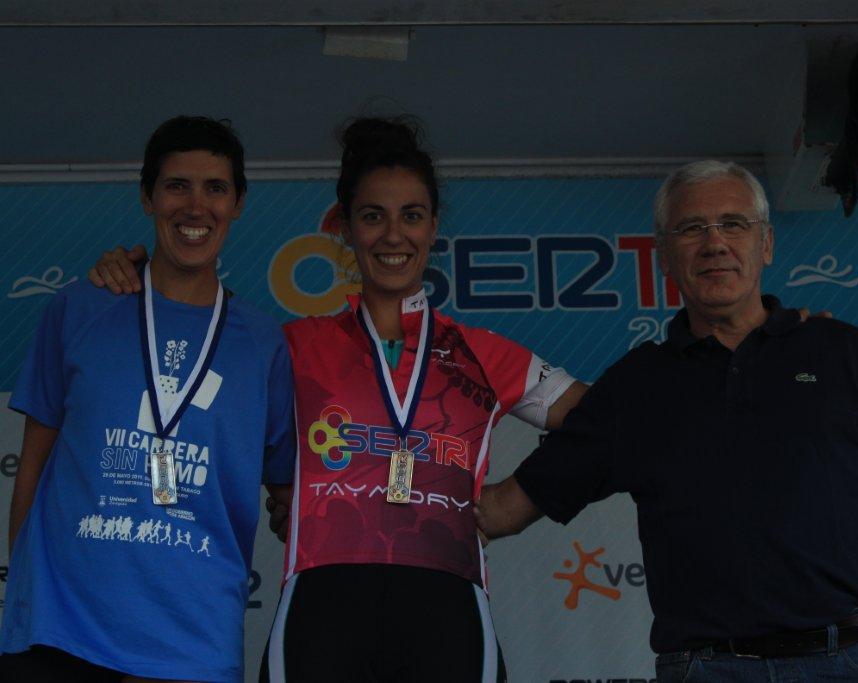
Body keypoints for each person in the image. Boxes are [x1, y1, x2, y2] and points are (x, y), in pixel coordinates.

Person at [87, 116, 588, 683]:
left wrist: (522, 498)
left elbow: (606, 420)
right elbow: (185, 355)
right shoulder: (289, 346)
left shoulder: (482, 353)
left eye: (412, 216)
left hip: (448, 608)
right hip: (320, 607)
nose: (393, 235)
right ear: (344, 227)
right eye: (373, 216)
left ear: (433, 227)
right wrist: (130, 273)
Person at [476, 160, 858, 682]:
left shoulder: (845, 353)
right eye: (692, 229)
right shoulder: (635, 386)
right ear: (663, 257)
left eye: (734, 224)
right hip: (709, 669)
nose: (715, 243)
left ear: (767, 244)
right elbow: (500, 512)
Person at [0, 116, 296, 682]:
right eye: (176, 185)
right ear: (147, 197)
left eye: (215, 188)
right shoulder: (80, 308)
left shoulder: (263, 346)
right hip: (60, 632)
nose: (195, 206)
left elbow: (290, 496)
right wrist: (24, 598)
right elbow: (32, 468)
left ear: (238, 204)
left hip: (194, 644)